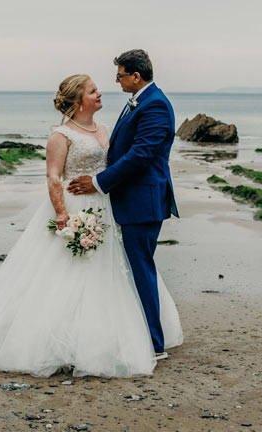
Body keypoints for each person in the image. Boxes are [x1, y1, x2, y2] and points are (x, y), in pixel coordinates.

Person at [0, 73, 181, 377]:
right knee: (68, 272)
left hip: (105, 207)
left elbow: (124, 160)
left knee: (111, 272)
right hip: (75, 205)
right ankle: (61, 341)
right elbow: (53, 177)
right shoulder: (61, 135)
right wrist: (62, 213)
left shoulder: (105, 128)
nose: (100, 93)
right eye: (93, 91)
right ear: (79, 101)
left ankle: (113, 333)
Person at [68, 49, 179, 358]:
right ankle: (143, 335)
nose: (116, 81)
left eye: (119, 75)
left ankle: (154, 345)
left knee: (140, 269)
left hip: (142, 202)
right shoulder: (140, 101)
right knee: (133, 269)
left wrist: (99, 181)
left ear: (135, 76)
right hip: (131, 200)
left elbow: (141, 156)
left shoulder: (154, 105)